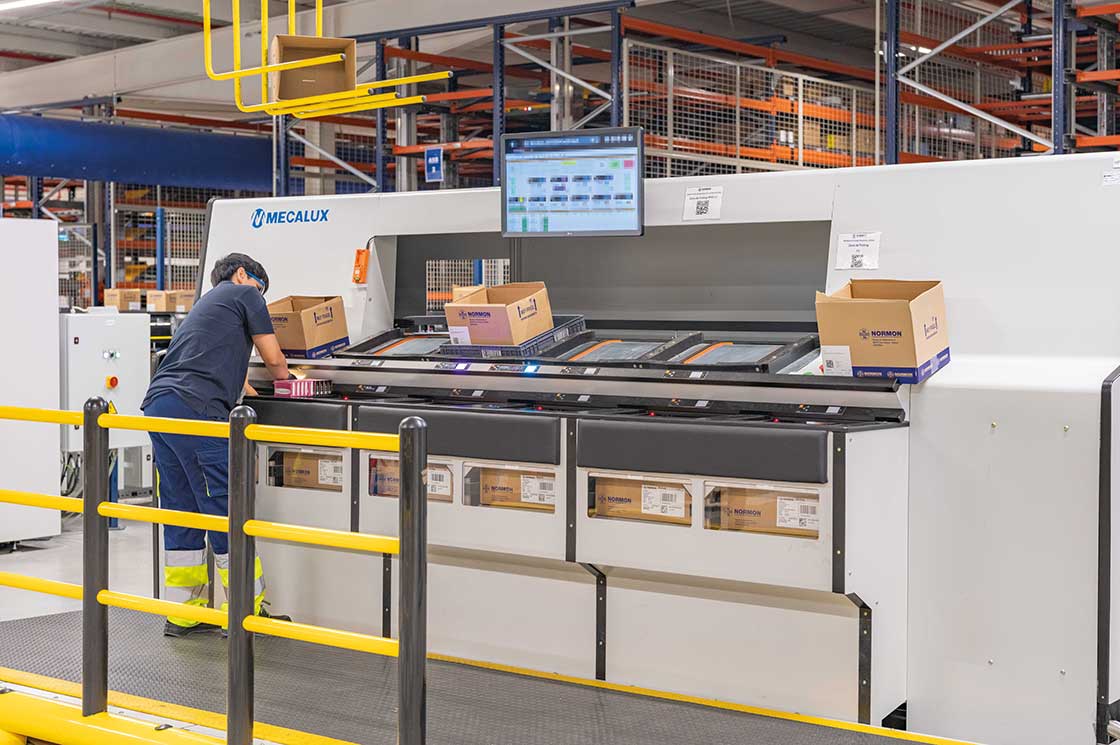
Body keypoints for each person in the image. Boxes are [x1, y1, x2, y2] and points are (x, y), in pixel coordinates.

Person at [142, 253, 291, 637]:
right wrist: (295, 383)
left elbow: (233, 376)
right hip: (196, 412)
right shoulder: (245, 295)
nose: (259, 295)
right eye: (260, 287)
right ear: (243, 274)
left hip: (159, 408)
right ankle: (245, 613)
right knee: (225, 508)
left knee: (183, 511)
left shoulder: (205, 306)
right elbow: (274, 360)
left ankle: (183, 614)